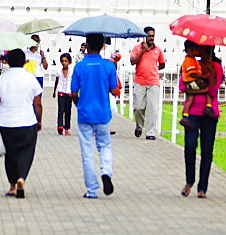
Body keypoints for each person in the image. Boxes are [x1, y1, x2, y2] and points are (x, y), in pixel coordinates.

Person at [71, 33, 119, 199]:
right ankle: (106, 172)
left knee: (87, 152)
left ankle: (92, 190)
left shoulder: (79, 66)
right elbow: (114, 90)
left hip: (85, 113)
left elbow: (73, 92)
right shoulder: (108, 66)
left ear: (87, 45)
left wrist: (80, 105)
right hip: (102, 113)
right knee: (104, 146)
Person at [0, 49, 42, 199]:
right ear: (23, 61)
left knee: (11, 154)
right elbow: (37, 103)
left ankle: (12, 186)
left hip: (6, 122)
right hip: (27, 121)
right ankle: (22, 178)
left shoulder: (2, 79)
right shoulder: (30, 78)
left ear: (9, 61)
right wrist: (39, 120)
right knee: (26, 152)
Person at [180, 46, 224, 198]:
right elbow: (182, 86)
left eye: (205, 50)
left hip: (209, 113)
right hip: (192, 112)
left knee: (207, 150)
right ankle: (189, 180)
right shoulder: (192, 64)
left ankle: (202, 186)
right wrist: (201, 83)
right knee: (190, 146)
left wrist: (202, 81)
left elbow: (212, 90)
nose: (201, 52)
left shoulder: (216, 67)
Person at [129, 26, 165, 139]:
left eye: (152, 36)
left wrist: (154, 70)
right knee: (139, 107)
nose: (151, 38)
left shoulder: (157, 50)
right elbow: (132, 61)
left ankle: (150, 132)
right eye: (149, 36)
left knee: (152, 108)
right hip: (140, 81)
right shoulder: (137, 48)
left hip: (153, 82)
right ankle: (139, 126)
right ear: (144, 37)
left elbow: (162, 64)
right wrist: (143, 52)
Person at [180, 40, 217, 126]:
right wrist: (202, 77)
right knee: (207, 89)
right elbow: (192, 73)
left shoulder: (192, 60)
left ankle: (185, 116)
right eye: (192, 51)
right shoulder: (189, 61)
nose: (194, 52)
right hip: (192, 80)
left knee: (190, 99)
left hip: (190, 81)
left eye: (195, 50)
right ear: (186, 51)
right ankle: (208, 106)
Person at [53, 53, 73, 134]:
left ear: (69, 62)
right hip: (61, 92)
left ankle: (67, 128)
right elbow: (56, 81)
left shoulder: (72, 72)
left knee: (68, 110)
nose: (64, 63)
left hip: (69, 92)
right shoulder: (59, 72)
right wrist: (54, 91)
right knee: (61, 109)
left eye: (66, 61)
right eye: (62, 61)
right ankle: (60, 125)